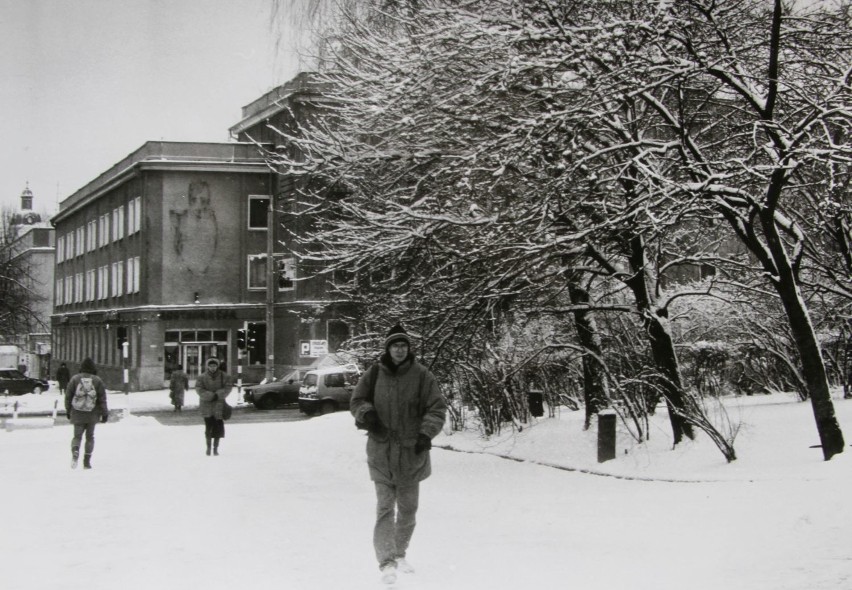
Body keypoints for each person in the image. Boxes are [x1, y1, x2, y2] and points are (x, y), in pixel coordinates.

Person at [350, 324, 447, 585]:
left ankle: (400, 553)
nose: (399, 349)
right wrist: (367, 414)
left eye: (403, 345)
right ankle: (386, 562)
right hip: (381, 451)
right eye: (395, 345)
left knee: (408, 509)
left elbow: (436, 408)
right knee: (384, 508)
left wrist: (426, 434)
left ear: (408, 348)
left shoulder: (422, 375)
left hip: (411, 452)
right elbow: (357, 400)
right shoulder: (373, 374)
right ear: (388, 348)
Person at [64, 358, 108, 470]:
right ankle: (86, 462)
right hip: (92, 414)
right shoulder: (97, 380)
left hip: (77, 412)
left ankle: (75, 451)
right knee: (90, 437)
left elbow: (68, 396)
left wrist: (68, 410)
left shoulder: (75, 379)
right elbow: (102, 398)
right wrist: (104, 413)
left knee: (77, 436)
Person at [195, 357, 233, 456]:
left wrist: (218, 394)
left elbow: (228, 387)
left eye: (214, 365)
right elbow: (199, 389)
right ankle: (208, 448)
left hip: (219, 405)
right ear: (208, 366)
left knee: (218, 428)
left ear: (217, 366)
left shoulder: (224, 376)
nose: (213, 368)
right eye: (211, 366)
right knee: (208, 427)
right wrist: (210, 395)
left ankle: (215, 449)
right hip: (206, 405)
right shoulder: (201, 377)